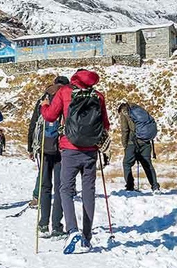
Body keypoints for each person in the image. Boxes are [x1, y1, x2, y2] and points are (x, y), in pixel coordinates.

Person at [41, 69, 110, 255]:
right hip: (91, 151)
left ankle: (72, 230)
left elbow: (50, 116)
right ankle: (87, 236)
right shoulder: (98, 96)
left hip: (69, 148)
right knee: (89, 191)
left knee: (65, 189)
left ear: (75, 78)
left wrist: (44, 105)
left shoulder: (65, 92)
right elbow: (105, 125)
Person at [27, 76, 69, 237]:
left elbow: (34, 123)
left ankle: (43, 224)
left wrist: (30, 147)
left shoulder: (44, 98)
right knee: (60, 187)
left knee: (45, 187)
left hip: (44, 148)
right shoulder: (67, 98)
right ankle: (57, 226)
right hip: (62, 148)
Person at [118, 102, 160, 193]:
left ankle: (130, 186)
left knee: (127, 164)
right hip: (146, 141)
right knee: (148, 165)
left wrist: (125, 145)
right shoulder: (140, 110)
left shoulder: (124, 112)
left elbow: (125, 130)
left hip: (132, 142)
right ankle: (155, 186)